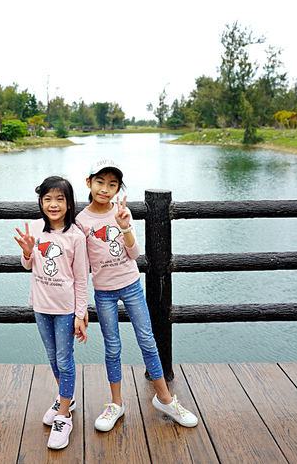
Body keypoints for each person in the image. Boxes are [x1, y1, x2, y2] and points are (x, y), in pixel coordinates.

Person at [78, 159, 199, 432]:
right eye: (100, 182)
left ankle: (165, 399)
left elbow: (134, 254)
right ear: (88, 183)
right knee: (112, 347)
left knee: (147, 339)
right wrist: (79, 305)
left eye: (112, 184)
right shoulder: (81, 221)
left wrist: (124, 226)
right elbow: (81, 265)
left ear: (118, 188)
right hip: (103, 292)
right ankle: (116, 404)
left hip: (131, 285)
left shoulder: (122, 213)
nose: (105, 189)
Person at [14, 176, 89, 450]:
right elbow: (28, 265)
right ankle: (65, 396)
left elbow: (82, 279)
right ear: (40, 202)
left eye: (60, 199)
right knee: (52, 358)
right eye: (48, 199)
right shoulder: (35, 228)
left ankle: (64, 414)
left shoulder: (76, 237)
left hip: (66, 309)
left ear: (69, 203)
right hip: (41, 306)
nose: (53, 204)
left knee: (65, 359)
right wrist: (25, 252)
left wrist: (81, 314)